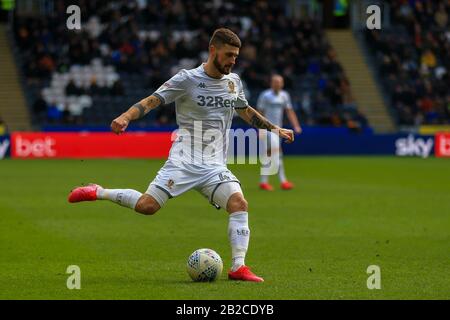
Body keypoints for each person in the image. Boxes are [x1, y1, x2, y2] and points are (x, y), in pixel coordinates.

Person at [68, 28, 295, 282]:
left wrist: (274, 128)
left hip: (214, 165)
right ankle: (99, 191)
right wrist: (125, 116)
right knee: (147, 206)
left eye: (236, 56)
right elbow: (152, 100)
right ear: (213, 50)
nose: (233, 60)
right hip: (184, 161)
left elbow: (245, 111)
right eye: (229, 54)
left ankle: (238, 267)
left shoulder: (234, 82)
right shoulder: (187, 79)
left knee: (238, 204)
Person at [257, 75, 302, 191]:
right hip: (267, 129)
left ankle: (263, 182)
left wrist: (296, 125)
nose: (277, 84)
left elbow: (289, 111)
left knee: (268, 154)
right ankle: (283, 181)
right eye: (275, 82)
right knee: (277, 153)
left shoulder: (284, 95)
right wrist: (259, 129)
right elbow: (259, 113)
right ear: (271, 83)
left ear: (282, 84)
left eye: (279, 82)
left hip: (279, 130)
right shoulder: (265, 95)